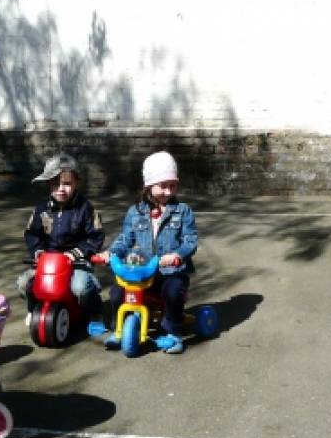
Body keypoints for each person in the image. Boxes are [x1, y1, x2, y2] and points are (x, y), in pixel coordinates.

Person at [98, 151, 198, 354]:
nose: (168, 192)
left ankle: (172, 333)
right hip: (141, 272)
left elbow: (191, 240)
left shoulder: (183, 211)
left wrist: (178, 255)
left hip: (170, 273)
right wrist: (112, 253)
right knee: (117, 292)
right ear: (149, 186)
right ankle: (120, 329)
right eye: (163, 186)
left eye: (173, 185)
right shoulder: (136, 212)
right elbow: (126, 238)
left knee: (173, 291)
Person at [17, 152, 105, 327]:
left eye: (66, 184)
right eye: (55, 184)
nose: (61, 189)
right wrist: (37, 251)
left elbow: (96, 235)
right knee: (24, 283)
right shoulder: (42, 208)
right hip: (48, 262)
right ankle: (34, 308)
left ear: (76, 182)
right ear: (49, 185)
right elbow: (31, 233)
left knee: (80, 287)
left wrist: (77, 253)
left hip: (76, 262)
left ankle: (95, 312)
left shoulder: (85, 208)